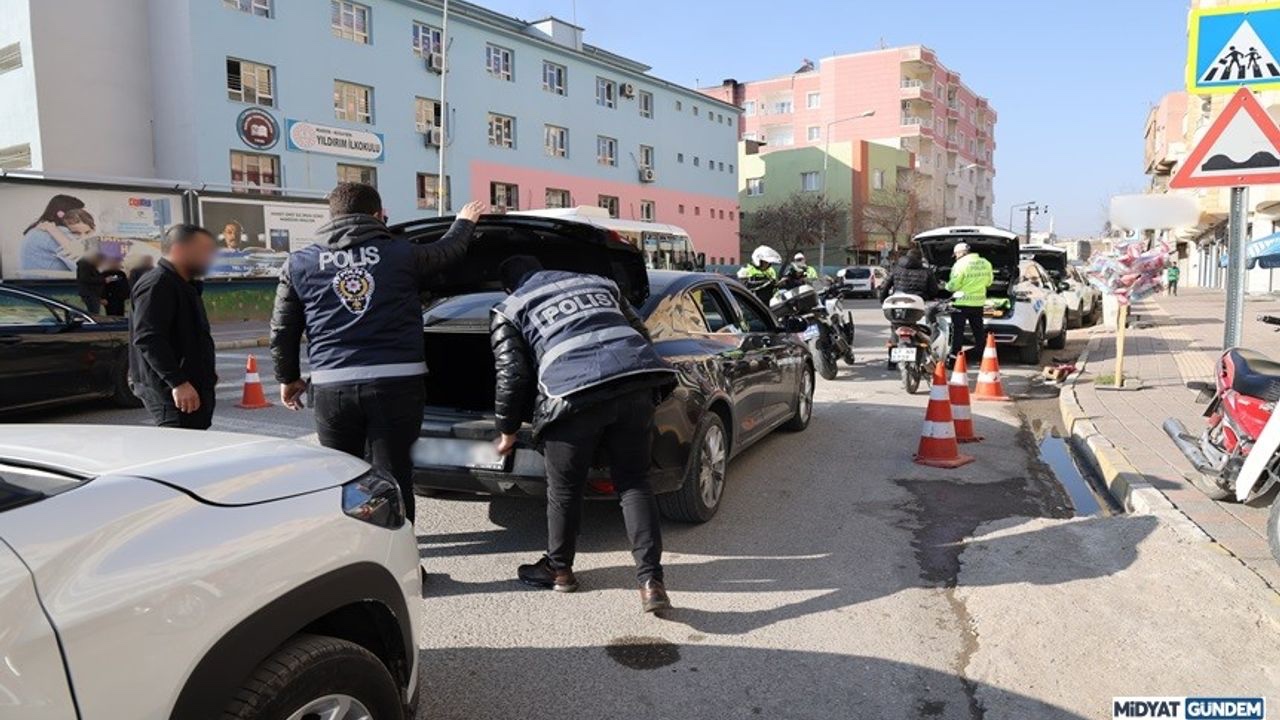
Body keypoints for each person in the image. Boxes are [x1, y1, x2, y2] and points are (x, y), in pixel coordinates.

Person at [270, 182, 485, 521]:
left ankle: (355, 558)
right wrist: (465, 221)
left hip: (332, 389)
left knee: (343, 477)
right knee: (394, 476)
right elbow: (448, 252)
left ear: (333, 215)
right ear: (376, 215)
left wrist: (288, 378)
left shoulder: (300, 263)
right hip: (397, 385)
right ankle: (403, 564)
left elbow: (283, 329)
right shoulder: (401, 253)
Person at [491, 254, 677, 613]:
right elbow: (640, 333)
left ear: (509, 286)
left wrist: (508, 431)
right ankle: (651, 582)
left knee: (564, 489)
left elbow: (512, 374)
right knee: (635, 483)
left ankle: (559, 571)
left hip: (571, 395)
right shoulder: (601, 283)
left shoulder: (510, 306)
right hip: (635, 385)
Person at [129, 224, 219, 430]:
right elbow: (148, 338)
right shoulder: (157, 284)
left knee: (196, 441)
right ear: (180, 250)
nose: (210, 258)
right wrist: (178, 382)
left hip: (191, 384)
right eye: (204, 251)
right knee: (181, 449)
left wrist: (205, 371)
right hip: (172, 392)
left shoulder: (184, 283)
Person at [945, 242, 993, 362]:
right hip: (978, 303)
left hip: (961, 304)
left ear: (960, 253)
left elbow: (954, 285)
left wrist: (946, 286)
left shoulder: (960, 264)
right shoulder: (986, 263)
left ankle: (955, 357)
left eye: (956, 254)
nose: (955, 257)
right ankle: (983, 356)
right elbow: (989, 282)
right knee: (978, 331)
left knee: (958, 332)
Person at [18, 195, 90, 275]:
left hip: (34, 284)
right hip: (54, 285)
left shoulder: (37, 230)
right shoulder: (58, 232)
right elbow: (85, 268)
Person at [100, 252, 130, 316]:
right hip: (110, 299)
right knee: (111, 316)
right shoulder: (105, 273)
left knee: (120, 316)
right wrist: (103, 297)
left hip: (120, 299)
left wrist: (127, 295)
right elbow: (102, 286)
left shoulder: (121, 274)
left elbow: (125, 285)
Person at [75, 249, 105, 314]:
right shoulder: (85, 266)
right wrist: (104, 280)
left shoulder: (91, 266)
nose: (100, 264)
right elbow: (86, 279)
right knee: (93, 313)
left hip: (93, 294)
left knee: (94, 312)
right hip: (90, 294)